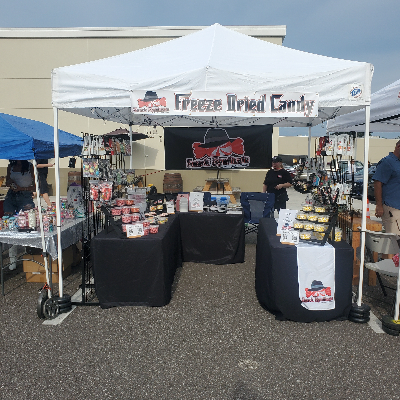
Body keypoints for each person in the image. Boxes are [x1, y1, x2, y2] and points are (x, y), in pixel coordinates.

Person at [3, 160, 36, 271]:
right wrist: (10, 182)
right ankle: (12, 259)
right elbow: (7, 182)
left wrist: (22, 188)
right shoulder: (10, 166)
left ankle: (29, 254)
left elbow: (36, 186)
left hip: (25, 196)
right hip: (11, 196)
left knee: (28, 225)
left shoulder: (30, 166)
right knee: (10, 227)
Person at [373, 140, 400, 235]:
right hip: (392, 208)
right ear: (398, 147)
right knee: (395, 239)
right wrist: (379, 205)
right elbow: (378, 183)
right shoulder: (387, 162)